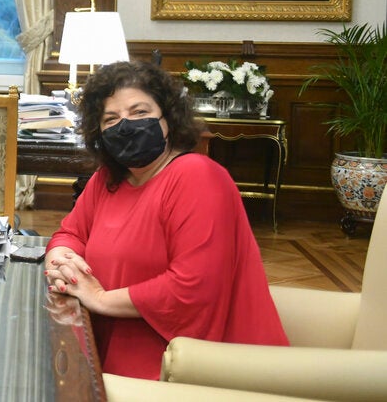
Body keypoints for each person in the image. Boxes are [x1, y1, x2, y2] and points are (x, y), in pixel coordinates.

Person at [44, 60, 287, 380]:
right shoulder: (108, 179)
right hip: (111, 357)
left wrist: (99, 298)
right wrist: (61, 260)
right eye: (111, 119)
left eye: (140, 112)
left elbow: (192, 289)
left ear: (168, 118)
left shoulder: (198, 177)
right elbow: (70, 234)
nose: (125, 125)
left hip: (191, 369)